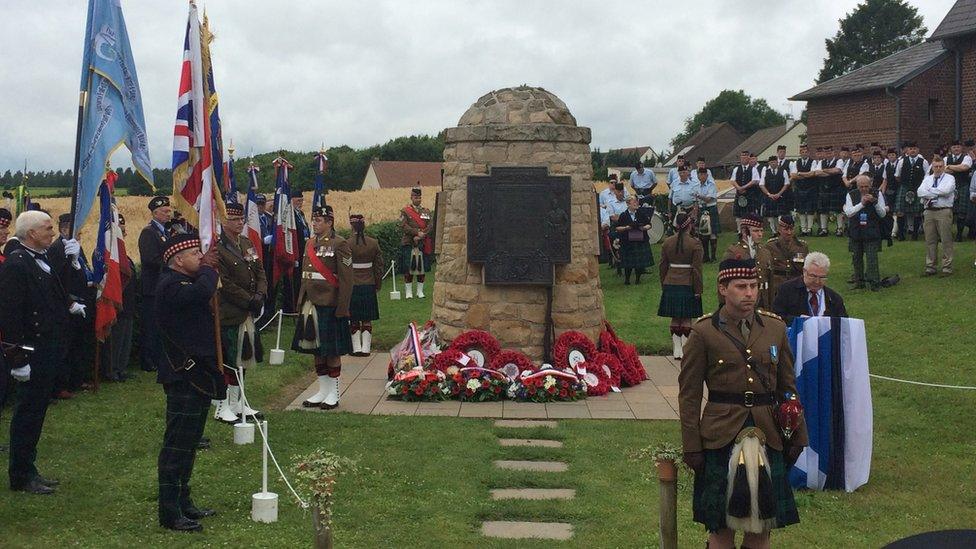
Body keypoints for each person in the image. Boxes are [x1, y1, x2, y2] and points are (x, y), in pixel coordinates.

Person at [678, 258, 808, 549]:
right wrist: (692, 445)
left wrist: (798, 434)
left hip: (768, 434)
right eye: (741, 287)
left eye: (753, 286)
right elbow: (689, 396)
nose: (749, 293)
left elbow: (788, 387)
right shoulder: (704, 332)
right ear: (723, 289)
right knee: (721, 527)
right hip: (720, 434)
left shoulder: (775, 328)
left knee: (762, 528)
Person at [154, 233, 225, 532]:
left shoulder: (185, 281)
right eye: (195, 253)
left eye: (201, 252)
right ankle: (169, 511)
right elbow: (200, 293)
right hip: (183, 375)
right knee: (177, 445)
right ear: (178, 260)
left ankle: (184, 500)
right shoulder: (171, 285)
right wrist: (210, 268)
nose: (201, 256)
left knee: (191, 442)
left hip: (198, 374)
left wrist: (206, 268)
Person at [0, 211, 69, 494]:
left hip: (47, 347)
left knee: (37, 410)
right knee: (27, 413)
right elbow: (11, 315)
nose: (52, 233)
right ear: (31, 234)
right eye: (47, 229)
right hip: (31, 349)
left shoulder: (39, 259)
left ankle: (30, 467)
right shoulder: (17, 265)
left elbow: (50, 295)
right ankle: (20, 474)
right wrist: (17, 359)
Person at [294, 205, 353, 410]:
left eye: (319, 220)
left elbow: (346, 280)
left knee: (332, 350)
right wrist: (300, 302)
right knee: (316, 349)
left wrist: (343, 307)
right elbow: (305, 276)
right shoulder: (309, 243)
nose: (315, 223)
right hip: (311, 303)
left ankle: (334, 393)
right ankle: (322, 390)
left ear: (330, 222)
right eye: (314, 220)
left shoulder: (340, 244)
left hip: (330, 303)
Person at [215, 202, 268, 424]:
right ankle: (222, 405)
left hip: (247, 310)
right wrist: (248, 300)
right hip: (230, 310)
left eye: (241, 220)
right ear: (223, 221)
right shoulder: (217, 248)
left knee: (242, 358)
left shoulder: (246, 243)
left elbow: (259, 271)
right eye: (234, 220)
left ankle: (237, 402)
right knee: (228, 360)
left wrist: (261, 295)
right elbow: (224, 283)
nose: (239, 224)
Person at [657, 213, 703, 359]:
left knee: (675, 318)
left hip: (670, 282)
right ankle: (684, 348)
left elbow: (662, 266)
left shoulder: (667, 242)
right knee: (687, 318)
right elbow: (697, 269)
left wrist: (664, 283)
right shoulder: (695, 243)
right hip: (687, 284)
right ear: (689, 225)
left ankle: (676, 349)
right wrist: (698, 289)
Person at [138, 196, 173, 372]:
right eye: (165, 211)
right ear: (155, 213)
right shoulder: (149, 232)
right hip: (152, 287)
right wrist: (173, 264)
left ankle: (160, 357)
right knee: (151, 326)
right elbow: (151, 259)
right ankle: (148, 360)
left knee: (161, 325)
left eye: (169, 210)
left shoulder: (165, 232)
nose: (169, 214)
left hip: (162, 286)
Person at [101, 214, 137, 382]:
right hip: (116, 302)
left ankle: (121, 368)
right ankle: (111, 370)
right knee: (115, 339)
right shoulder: (109, 254)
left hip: (128, 303)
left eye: (124, 231)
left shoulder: (124, 255)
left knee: (125, 338)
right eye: (120, 231)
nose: (123, 234)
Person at [772, 252, 848, 325]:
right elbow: (777, 317)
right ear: (804, 271)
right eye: (813, 276)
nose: (817, 281)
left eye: (822, 277)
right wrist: (801, 322)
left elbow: (844, 323)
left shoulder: (834, 298)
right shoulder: (787, 290)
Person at [347, 214, 384, 356]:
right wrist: (378, 283)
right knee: (367, 318)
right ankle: (366, 348)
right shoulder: (373, 243)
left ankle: (356, 348)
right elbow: (379, 266)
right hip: (368, 284)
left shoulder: (347, 243)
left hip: (353, 284)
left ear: (352, 226)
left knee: (354, 317)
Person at [844, 174, 889, 290]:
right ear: (857, 186)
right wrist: (862, 204)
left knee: (872, 257)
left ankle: (874, 283)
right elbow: (849, 213)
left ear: (870, 185)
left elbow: (883, 213)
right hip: (856, 229)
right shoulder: (851, 194)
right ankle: (859, 282)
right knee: (856, 257)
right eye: (861, 186)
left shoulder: (877, 194)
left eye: (866, 186)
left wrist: (875, 202)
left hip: (872, 229)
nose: (864, 189)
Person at [723, 214, 773, 311]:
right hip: (742, 300)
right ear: (744, 232)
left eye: (761, 231)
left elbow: (770, 279)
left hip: (764, 300)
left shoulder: (765, 252)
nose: (760, 234)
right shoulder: (734, 252)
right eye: (756, 231)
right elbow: (724, 282)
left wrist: (771, 304)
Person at [917, 157, 956, 276]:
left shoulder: (950, 178)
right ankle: (930, 267)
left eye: (940, 166)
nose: (938, 168)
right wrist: (936, 192)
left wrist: (929, 191)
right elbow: (920, 192)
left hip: (943, 211)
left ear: (944, 167)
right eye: (936, 166)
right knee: (930, 240)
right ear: (932, 167)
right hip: (928, 211)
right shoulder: (927, 179)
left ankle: (947, 268)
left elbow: (946, 191)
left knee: (946, 240)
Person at [398, 187, 433, 299]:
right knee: (409, 267)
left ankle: (419, 291)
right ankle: (408, 292)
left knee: (421, 267)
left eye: (419, 197)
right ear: (411, 198)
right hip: (409, 242)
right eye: (415, 197)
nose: (418, 199)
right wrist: (416, 233)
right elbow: (403, 225)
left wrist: (422, 234)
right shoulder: (405, 211)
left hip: (422, 242)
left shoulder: (426, 211)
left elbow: (430, 225)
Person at [765, 215, 809, 304]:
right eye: (786, 229)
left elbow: (806, 268)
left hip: (796, 284)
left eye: (791, 229)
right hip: (777, 286)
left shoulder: (802, 246)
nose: (789, 232)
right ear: (779, 229)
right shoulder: (770, 246)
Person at [614, 196, 655, 285]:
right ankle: (627, 280)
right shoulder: (623, 215)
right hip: (627, 242)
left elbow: (649, 224)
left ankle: (637, 279)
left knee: (639, 262)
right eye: (634, 202)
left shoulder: (641, 213)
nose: (636, 203)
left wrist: (644, 228)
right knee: (628, 263)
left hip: (640, 240)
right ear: (628, 204)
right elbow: (617, 228)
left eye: (637, 202)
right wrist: (626, 228)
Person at [282, 190, 310, 313]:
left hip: (304, 250)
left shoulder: (300, 214)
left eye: (302, 200)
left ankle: (301, 302)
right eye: (298, 200)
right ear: (291, 200)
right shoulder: (289, 215)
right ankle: (291, 307)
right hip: (294, 251)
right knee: (293, 281)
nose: (300, 203)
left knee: (301, 279)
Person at [894, 142, 929, 241]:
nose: (912, 150)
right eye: (910, 149)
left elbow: (927, 176)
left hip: (918, 188)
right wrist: (905, 184)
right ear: (907, 150)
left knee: (917, 212)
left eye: (915, 148)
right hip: (904, 187)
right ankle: (901, 234)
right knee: (900, 212)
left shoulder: (924, 162)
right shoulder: (901, 161)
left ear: (918, 150)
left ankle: (915, 235)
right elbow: (897, 175)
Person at [944, 140, 973, 241]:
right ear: (951, 149)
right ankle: (947, 235)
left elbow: (964, 167)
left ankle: (959, 235)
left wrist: (949, 167)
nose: (956, 149)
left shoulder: (967, 158)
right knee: (948, 212)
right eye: (954, 147)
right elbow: (942, 169)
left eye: (958, 147)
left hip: (962, 186)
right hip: (949, 188)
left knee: (961, 212)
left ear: (961, 148)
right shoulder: (946, 158)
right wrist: (956, 168)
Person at [790, 144, 820, 236]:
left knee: (810, 210)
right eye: (802, 152)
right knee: (801, 210)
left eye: (805, 152)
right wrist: (805, 175)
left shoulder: (813, 162)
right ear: (800, 153)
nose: (804, 153)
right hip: (799, 189)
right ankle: (803, 229)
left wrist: (799, 174)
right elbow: (793, 176)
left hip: (811, 189)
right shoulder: (795, 163)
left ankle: (809, 229)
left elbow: (812, 174)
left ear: (808, 152)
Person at [601, 183, 629, 274]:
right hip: (616, 227)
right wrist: (623, 217)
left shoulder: (627, 202)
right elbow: (613, 217)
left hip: (628, 227)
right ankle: (619, 266)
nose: (621, 193)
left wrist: (620, 216)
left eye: (622, 191)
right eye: (619, 191)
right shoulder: (610, 202)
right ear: (615, 192)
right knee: (616, 245)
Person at [817, 145, 845, 237]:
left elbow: (837, 170)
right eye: (826, 153)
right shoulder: (821, 161)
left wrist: (824, 171)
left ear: (833, 153)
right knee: (823, 210)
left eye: (829, 152)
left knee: (838, 210)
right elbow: (817, 173)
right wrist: (830, 172)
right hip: (824, 189)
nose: (828, 154)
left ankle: (839, 229)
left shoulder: (839, 161)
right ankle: (824, 229)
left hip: (836, 188)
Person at [694, 167, 720, 263]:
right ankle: (705, 256)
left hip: (711, 208)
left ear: (707, 175)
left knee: (713, 233)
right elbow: (696, 201)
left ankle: (713, 257)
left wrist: (699, 196)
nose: (702, 176)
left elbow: (709, 199)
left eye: (704, 174)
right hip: (701, 208)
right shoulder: (696, 185)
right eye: (700, 174)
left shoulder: (711, 185)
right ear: (697, 176)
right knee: (703, 234)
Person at [759, 156, 790, 233]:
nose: (773, 163)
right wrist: (769, 194)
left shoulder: (783, 171)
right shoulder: (765, 172)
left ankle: (780, 231)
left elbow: (786, 184)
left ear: (777, 162)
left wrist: (779, 194)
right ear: (769, 163)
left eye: (775, 162)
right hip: (769, 197)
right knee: (771, 216)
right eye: (771, 162)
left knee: (780, 215)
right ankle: (774, 232)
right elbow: (761, 185)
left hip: (781, 197)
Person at [730, 151, 761, 227]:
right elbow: (732, 180)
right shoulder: (736, 169)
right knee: (738, 216)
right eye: (742, 157)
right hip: (739, 195)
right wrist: (738, 188)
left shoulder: (753, 169)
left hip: (750, 195)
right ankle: (740, 231)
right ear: (740, 158)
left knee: (750, 214)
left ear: (748, 158)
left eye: (745, 157)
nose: (743, 159)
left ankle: (750, 229)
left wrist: (743, 187)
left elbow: (755, 181)